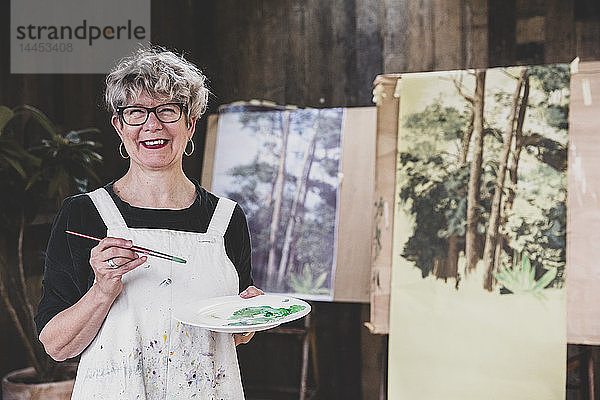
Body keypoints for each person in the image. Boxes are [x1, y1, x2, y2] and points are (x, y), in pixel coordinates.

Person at [35, 46, 263, 399]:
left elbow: (226, 334)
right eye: (136, 113)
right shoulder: (83, 214)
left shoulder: (227, 219)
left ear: (190, 123)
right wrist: (102, 290)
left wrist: (247, 320)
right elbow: (57, 346)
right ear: (119, 127)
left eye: (168, 111)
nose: (152, 125)